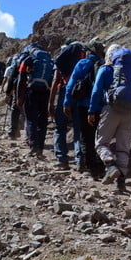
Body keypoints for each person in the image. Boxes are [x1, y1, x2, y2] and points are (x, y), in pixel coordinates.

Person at [88, 44, 131, 194]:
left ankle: (111, 166)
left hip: (111, 109)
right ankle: (121, 184)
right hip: (130, 111)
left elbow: (96, 90)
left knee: (101, 143)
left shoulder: (105, 69)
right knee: (123, 148)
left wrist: (92, 110)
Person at [64, 42, 105, 178]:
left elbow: (71, 84)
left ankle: (90, 169)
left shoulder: (82, 63)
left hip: (84, 105)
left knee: (86, 137)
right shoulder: (105, 64)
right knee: (100, 138)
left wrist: (67, 103)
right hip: (102, 106)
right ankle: (102, 169)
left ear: (89, 51)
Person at [49, 41, 85, 170]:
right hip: (81, 93)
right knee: (78, 128)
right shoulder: (84, 56)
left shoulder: (63, 59)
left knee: (60, 127)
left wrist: (51, 102)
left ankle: (61, 159)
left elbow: (55, 80)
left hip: (65, 91)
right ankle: (80, 160)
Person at [19, 43, 53, 156]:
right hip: (45, 91)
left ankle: (33, 145)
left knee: (31, 118)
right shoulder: (49, 60)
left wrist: (20, 97)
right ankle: (41, 147)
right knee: (42, 120)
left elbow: (21, 79)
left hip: (32, 90)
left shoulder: (29, 58)